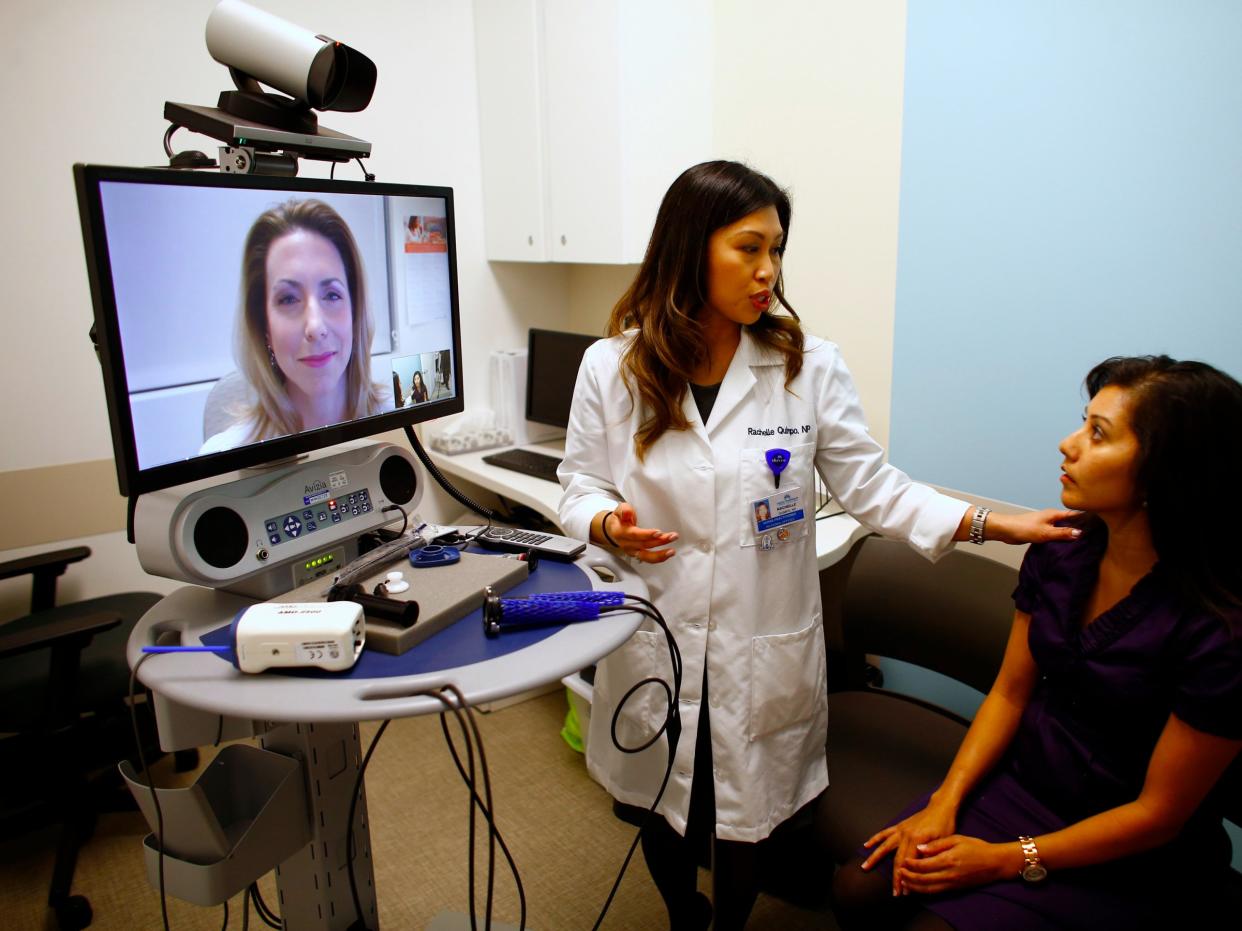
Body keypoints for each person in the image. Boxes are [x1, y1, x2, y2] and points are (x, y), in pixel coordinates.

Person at [556, 160, 1079, 930]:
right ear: (689, 248)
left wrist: (992, 524)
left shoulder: (807, 366)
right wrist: (605, 522)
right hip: (656, 633)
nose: (768, 270)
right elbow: (577, 484)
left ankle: (726, 925)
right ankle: (681, 914)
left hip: (758, 645)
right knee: (656, 807)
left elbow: (874, 487)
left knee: (743, 819)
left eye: (777, 250)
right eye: (748, 248)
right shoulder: (614, 368)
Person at [831, 355, 1242, 931]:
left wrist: (1006, 860)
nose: (1067, 445)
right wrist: (944, 801)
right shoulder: (1061, 553)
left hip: (1131, 844)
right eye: (1083, 423)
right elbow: (1009, 693)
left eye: (1097, 434)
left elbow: (1158, 814)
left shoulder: (1218, 627)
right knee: (858, 888)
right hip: (1025, 786)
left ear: (1166, 472)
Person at [201, 199, 392, 453]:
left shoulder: (401, 427)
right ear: (263, 326)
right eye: (288, 299)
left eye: (332, 295)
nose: (315, 326)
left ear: (355, 313)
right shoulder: (223, 456)